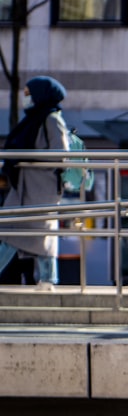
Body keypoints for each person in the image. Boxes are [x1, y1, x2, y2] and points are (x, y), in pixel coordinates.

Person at [0, 76, 70, 291]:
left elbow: (62, 155)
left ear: (41, 94)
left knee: (31, 234)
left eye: (29, 93)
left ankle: (49, 279)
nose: (25, 98)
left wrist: (29, 158)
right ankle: (49, 279)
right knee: (13, 231)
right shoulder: (34, 119)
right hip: (26, 187)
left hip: (41, 188)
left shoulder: (51, 118)